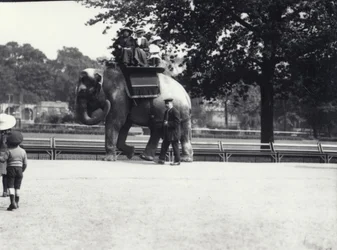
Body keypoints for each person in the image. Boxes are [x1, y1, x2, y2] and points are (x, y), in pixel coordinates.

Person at [0, 130, 27, 211]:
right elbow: (25, 163)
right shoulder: (23, 151)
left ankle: (12, 203)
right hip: (19, 170)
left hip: (11, 169)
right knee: (17, 187)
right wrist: (22, 170)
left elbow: (3, 160)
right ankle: (17, 203)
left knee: (10, 186)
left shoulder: (9, 151)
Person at [158, 98, 181, 165]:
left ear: (171, 104)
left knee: (175, 147)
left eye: (167, 103)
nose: (166, 105)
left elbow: (177, 123)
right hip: (167, 133)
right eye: (165, 104)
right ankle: (161, 160)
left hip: (173, 133)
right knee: (164, 146)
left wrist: (168, 123)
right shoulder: (167, 111)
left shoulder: (175, 111)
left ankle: (177, 161)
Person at [0, 113, 16, 197]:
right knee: (6, 175)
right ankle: (6, 191)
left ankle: (5, 191)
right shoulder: (10, 135)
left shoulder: (1, 135)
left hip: (0, 155)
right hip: (8, 155)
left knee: (3, 174)